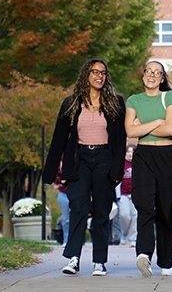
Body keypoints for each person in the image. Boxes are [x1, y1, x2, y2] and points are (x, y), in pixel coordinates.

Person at [43, 58, 126, 276]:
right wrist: (50, 173)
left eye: (103, 73)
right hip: (79, 160)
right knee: (77, 208)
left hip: (104, 159)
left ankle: (100, 261)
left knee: (102, 211)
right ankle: (74, 258)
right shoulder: (71, 103)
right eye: (95, 72)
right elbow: (59, 139)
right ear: (86, 75)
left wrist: (117, 171)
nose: (99, 76)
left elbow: (120, 141)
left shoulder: (115, 103)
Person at [125, 60, 172, 277]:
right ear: (143, 75)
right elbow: (130, 131)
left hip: (167, 156)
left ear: (162, 78)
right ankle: (144, 254)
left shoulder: (169, 97)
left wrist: (144, 127)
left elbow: (171, 129)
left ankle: (166, 261)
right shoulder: (134, 100)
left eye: (157, 73)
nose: (152, 75)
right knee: (145, 205)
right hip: (144, 156)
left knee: (167, 209)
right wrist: (158, 121)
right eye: (149, 71)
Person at [118, 144, 138, 246]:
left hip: (135, 194)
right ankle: (124, 234)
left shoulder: (138, 164)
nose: (130, 154)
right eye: (128, 152)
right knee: (124, 215)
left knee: (135, 215)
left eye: (132, 152)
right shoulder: (122, 164)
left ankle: (132, 238)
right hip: (124, 194)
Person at [53, 167, 69, 246]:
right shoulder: (58, 171)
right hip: (63, 194)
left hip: (73, 193)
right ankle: (66, 240)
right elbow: (55, 184)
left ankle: (76, 240)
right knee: (65, 219)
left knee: (75, 218)